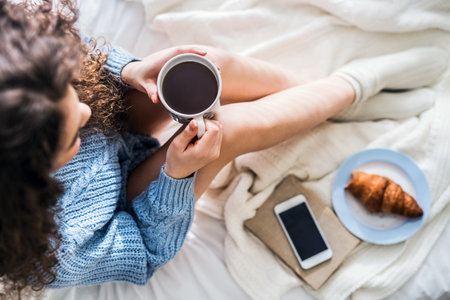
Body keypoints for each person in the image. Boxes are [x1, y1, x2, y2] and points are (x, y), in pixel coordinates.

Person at [0, 0, 446, 297]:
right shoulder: (58, 250)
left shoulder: (19, 74)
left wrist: (131, 69)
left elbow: (81, 63)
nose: (81, 112)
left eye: (69, 96)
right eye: (67, 136)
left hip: (120, 125)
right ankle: (356, 87)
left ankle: (322, 99)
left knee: (201, 68)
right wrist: (176, 174)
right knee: (225, 132)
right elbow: (147, 248)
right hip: (135, 201)